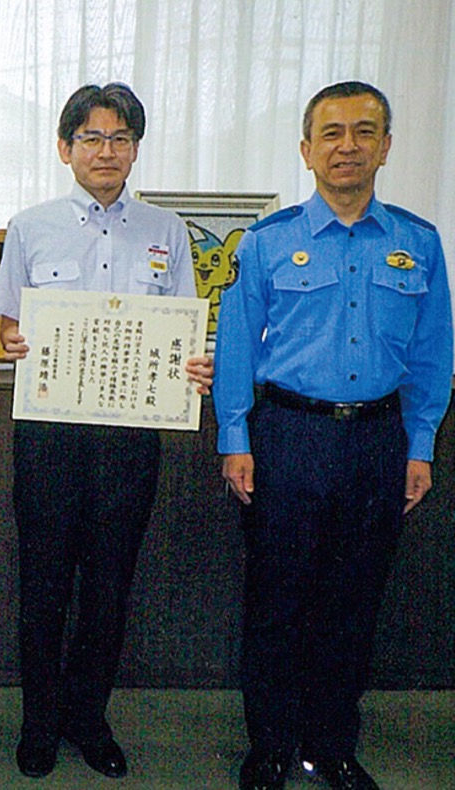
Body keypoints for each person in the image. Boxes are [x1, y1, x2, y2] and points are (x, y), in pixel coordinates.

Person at [213, 81, 452, 790]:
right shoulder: (268, 241)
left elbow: (432, 353)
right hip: (287, 436)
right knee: (276, 601)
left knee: (354, 603)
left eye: (364, 132)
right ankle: (271, 747)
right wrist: (234, 436)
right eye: (332, 133)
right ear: (306, 149)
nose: (348, 146)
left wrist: (420, 444)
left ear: (386, 146)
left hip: (378, 440)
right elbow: (236, 346)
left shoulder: (419, 242)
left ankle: (333, 746)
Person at [0, 83, 213, 781]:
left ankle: (88, 718)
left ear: (136, 150)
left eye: (120, 139)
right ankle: (38, 722)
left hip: (130, 437)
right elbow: (5, 328)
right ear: (65, 149)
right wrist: (14, 342)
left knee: (110, 587)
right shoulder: (30, 227)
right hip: (49, 436)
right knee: (44, 584)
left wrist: (194, 364)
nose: (106, 151)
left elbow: (183, 328)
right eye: (91, 138)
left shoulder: (167, 231)